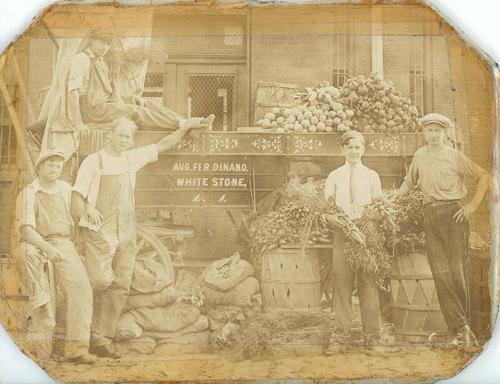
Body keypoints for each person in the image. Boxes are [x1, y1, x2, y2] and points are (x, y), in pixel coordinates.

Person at [72, 116, 212, 357]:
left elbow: (163, 145)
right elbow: (76, 197)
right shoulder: (94, 163)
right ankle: (82, 332)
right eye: (122, 135)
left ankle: (102, 338)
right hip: (100, 231)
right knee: (99, 280)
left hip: (127, 228)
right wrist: (87, 210)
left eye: (129, 136)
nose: (126, 140)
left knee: (121, 285)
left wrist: (186, 127)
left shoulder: (130, 159)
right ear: (110, 135)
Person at [396, 112, 490, 348]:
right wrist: (391, 201)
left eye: (438, 130)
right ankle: (457, 330)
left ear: (445, 133)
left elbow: (484, 177)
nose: (434, 135)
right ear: (424, 133)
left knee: (456, 271)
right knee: (440, 273)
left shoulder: (454, 156)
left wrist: (470, 207)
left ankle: (462, 329)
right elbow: (409, 182)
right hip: (431, 216)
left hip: (454, 216)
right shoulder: (419, 155)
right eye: (430, 130)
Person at [15, 148, 96, 364]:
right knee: (30, 268)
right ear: (39, 167)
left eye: (58, 165)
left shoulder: (66, 189)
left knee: (81, 287)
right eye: (50, 164)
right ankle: (41, 346)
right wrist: (47, 248)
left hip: (63, 243)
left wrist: (87, 206)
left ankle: (76, 348)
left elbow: (80, 203)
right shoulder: (29, 192)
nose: (54, 168)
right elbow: (26, 230)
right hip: (36, 242)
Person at [323, 130, 385, 355]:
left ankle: (373, 338)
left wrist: (372, 216)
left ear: (364, 149)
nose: (354, 151)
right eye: (349, 147)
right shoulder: (334, 176)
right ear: (342, 150)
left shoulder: (372, 176)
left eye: (358, 147)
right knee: (342, 286)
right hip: (343, 234)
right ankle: (340, 338)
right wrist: (336, 221)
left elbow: (381, 210)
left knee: (368, 285)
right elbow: (327, 210)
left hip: (367, 234)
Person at [67, 29, 196, 133]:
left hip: (105, 105)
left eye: (108, 44)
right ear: (91, 41)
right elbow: (73, 92)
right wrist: (78, 123)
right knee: (135, 111)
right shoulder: (81, 59)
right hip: (92, 111)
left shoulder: (100, 61)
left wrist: (120, 100)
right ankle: (181, 126)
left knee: (142, 102)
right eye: (102, 42)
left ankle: (184, 121)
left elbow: (108, 90)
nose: (105, 47)